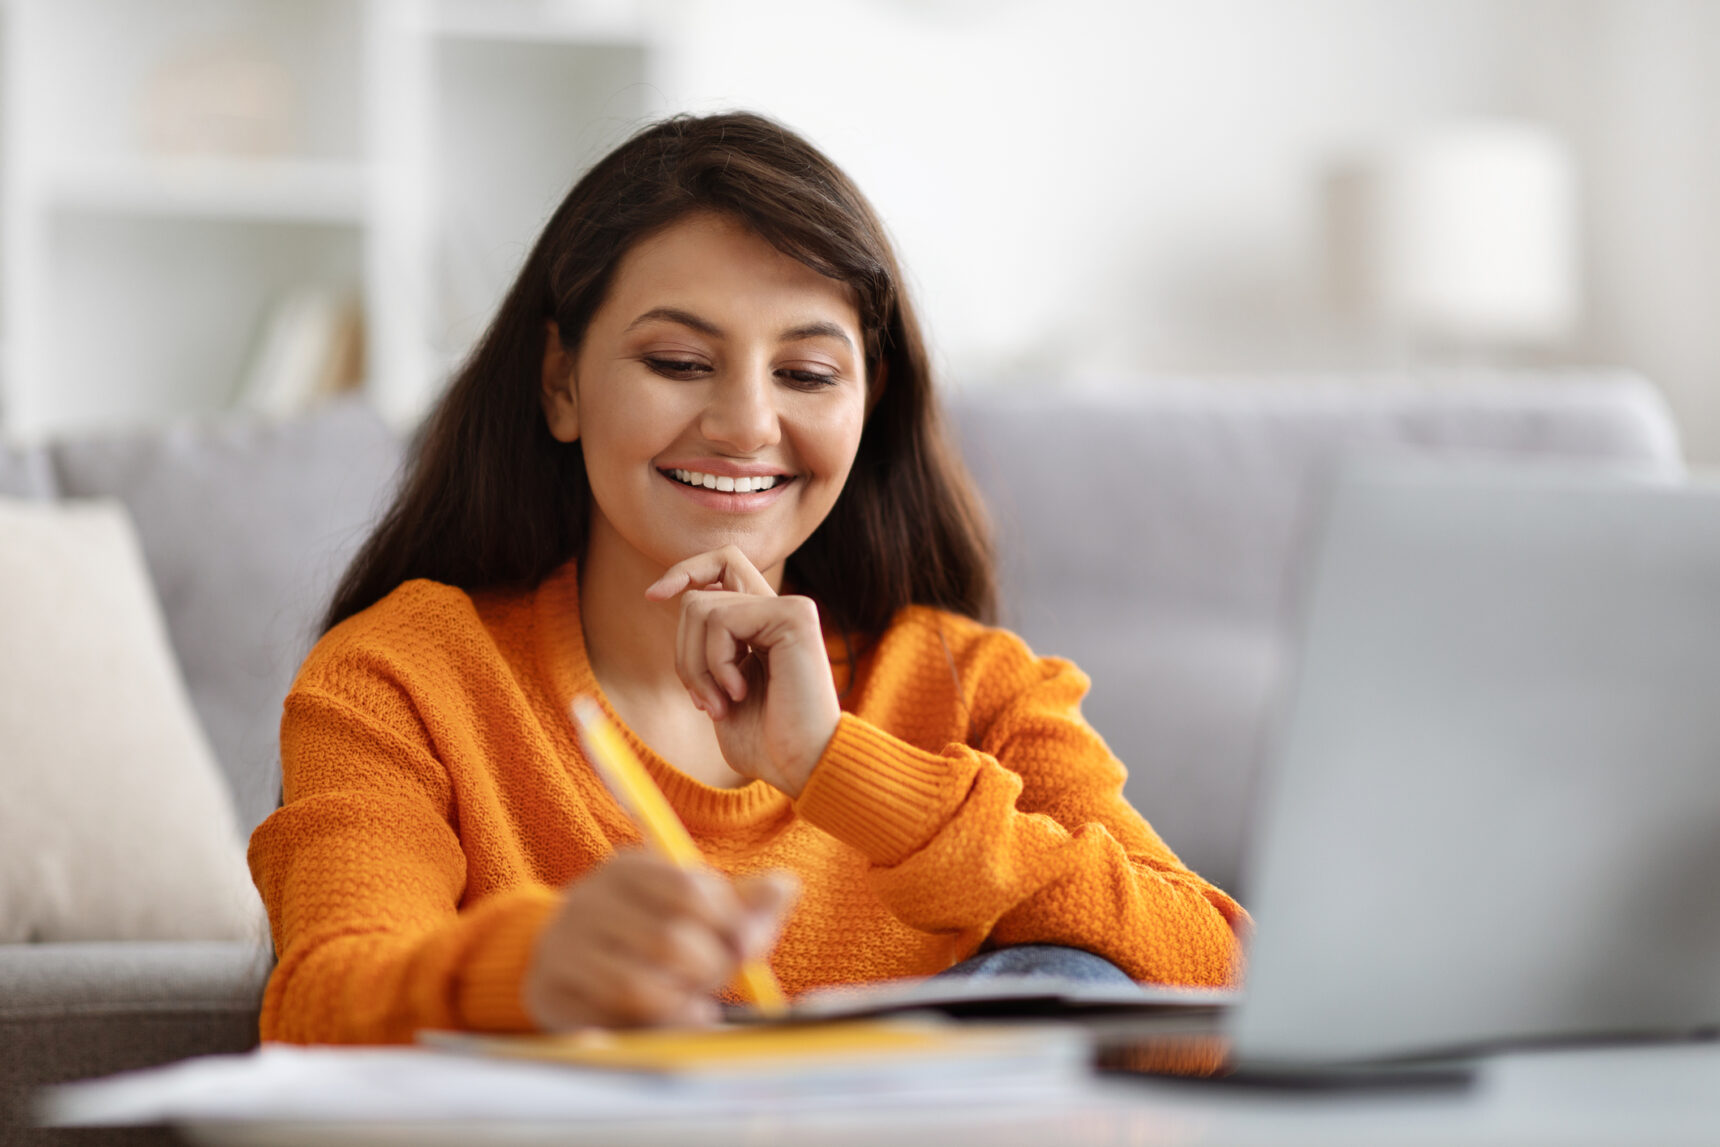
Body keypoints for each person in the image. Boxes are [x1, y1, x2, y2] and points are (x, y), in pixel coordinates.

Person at [248, 112, 1247, 1043]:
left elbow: (1218, 978)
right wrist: (535, 967)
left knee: (1082, 985)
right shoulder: (402, 676)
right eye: (679, 361)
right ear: (561, 382)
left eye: (806, 374)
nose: (744, 424)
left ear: (869, 399)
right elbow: (322, 1000)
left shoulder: (973, 687)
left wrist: (835, 767)